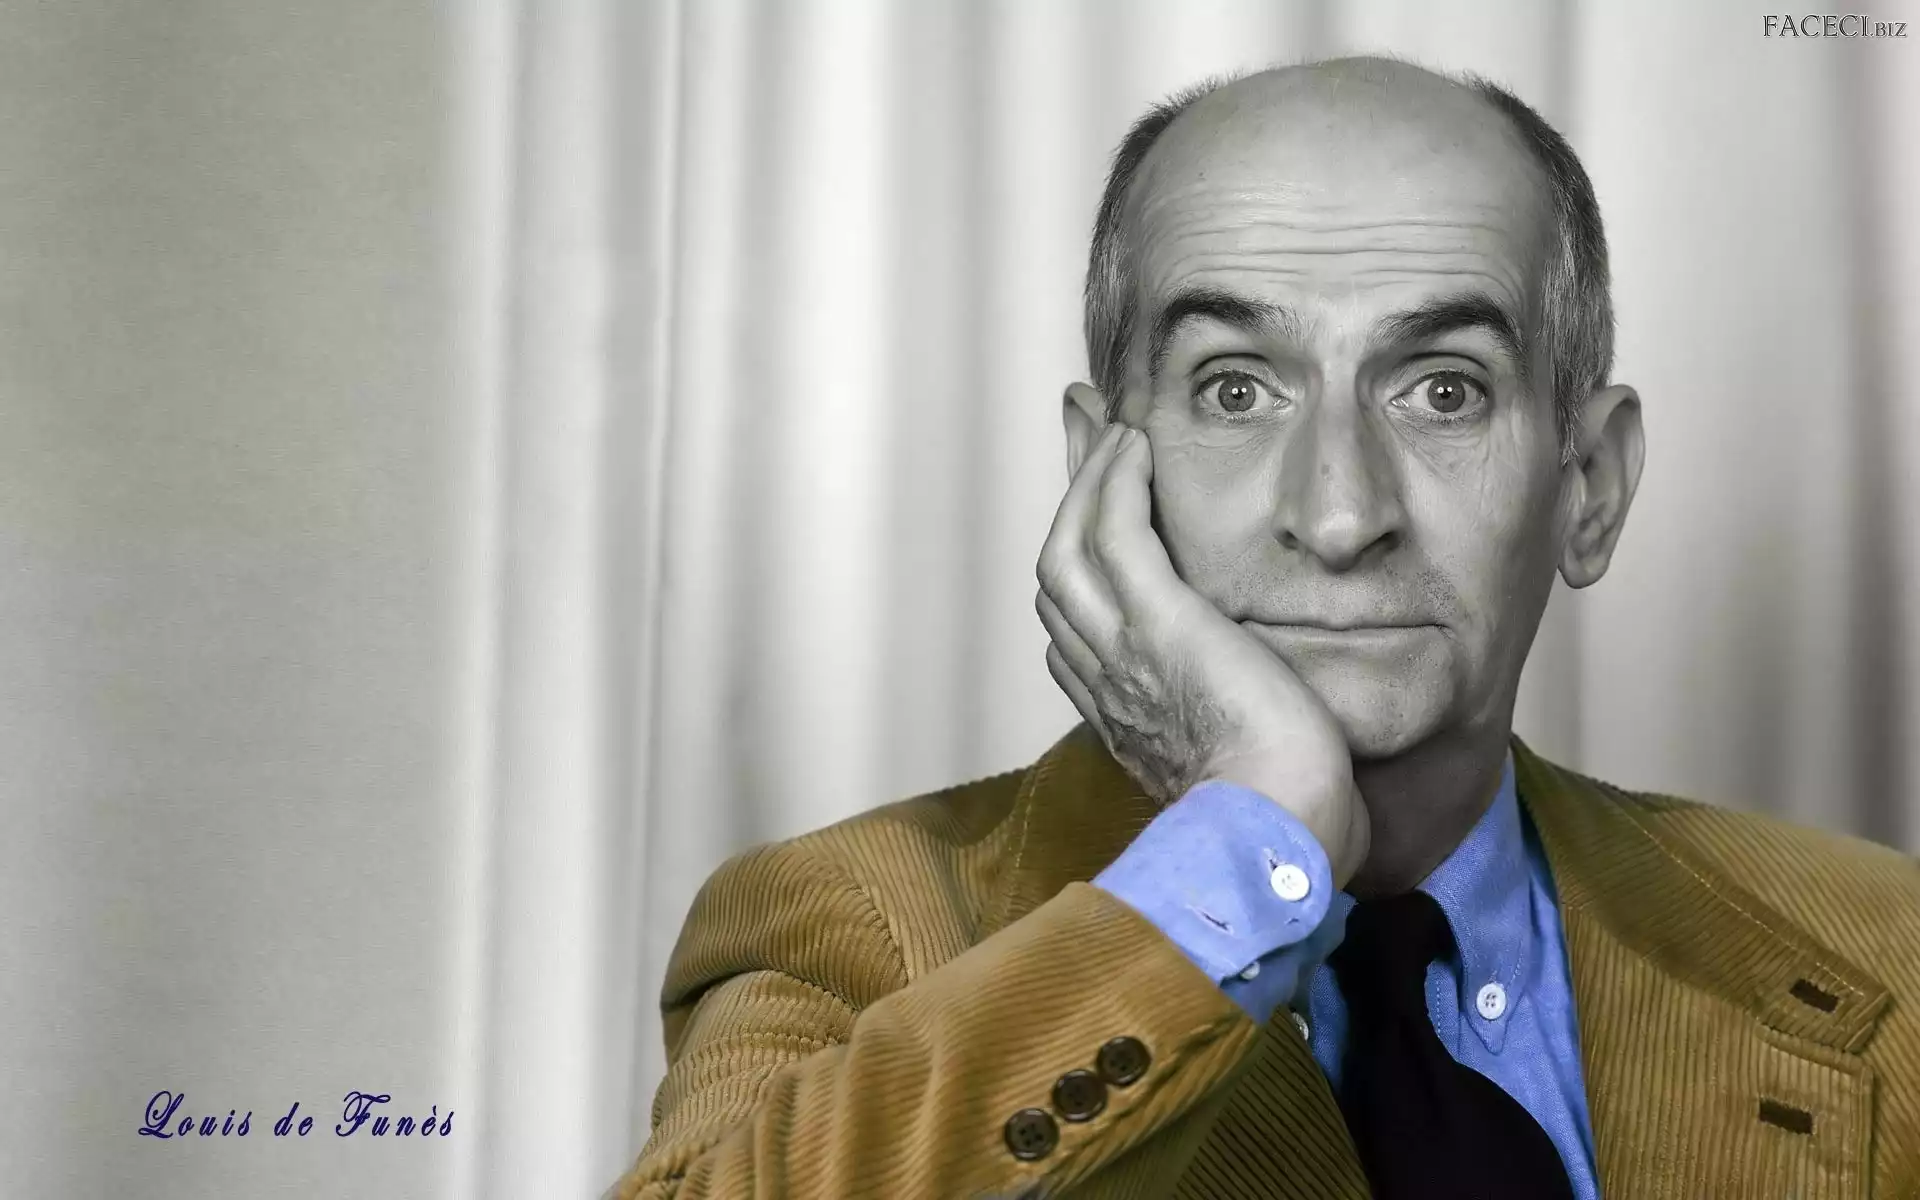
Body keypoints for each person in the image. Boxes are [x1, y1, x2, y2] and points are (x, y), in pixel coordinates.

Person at [607, 57, 1920, 1200]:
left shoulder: (1886, 945)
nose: (1340, 516)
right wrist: (1258, 831)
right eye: (1235, 390)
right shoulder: (849, 927)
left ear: (1590, 486)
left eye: (1444, 390)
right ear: (1100, 472)